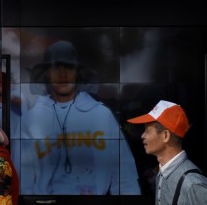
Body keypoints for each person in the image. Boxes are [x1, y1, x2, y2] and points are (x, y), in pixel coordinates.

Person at [21, 40, 140, 195]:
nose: (63, 74)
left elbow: (124, 173)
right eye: (56, 67)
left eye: (69, 67)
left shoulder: (102, 116)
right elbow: (23, 177)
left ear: (78, 72)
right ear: (46, 74)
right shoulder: (31, 120)